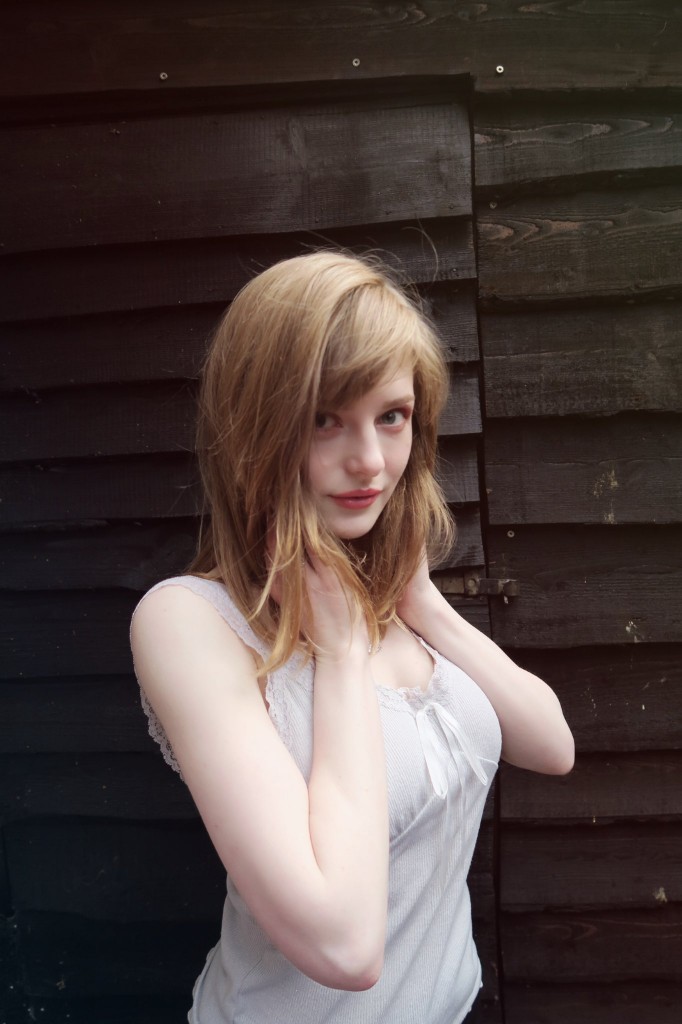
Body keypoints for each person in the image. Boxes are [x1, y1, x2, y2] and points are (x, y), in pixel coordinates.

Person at [130, 251, 574, 1024]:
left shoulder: (396, 606)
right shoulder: (192, 623)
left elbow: (551, 744)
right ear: (256, 426)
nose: (369, 461)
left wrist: (424, 604)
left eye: (391, 416)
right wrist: (339, 656)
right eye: (324, 418)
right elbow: (345, 949)